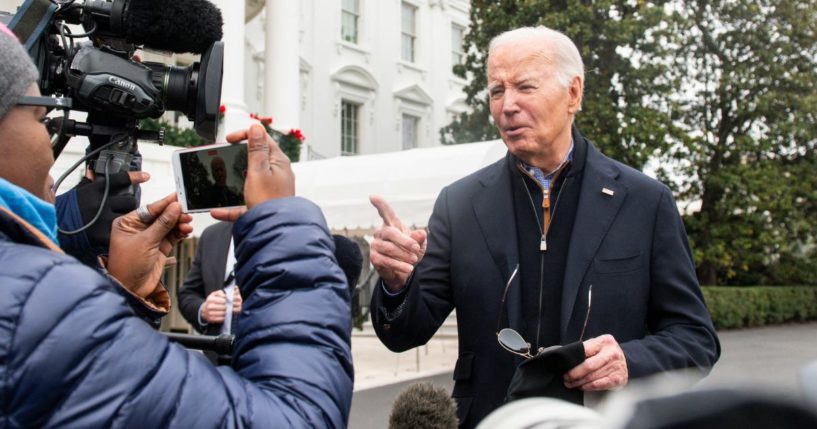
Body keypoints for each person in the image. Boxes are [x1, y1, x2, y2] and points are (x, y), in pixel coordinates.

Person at [0, 25, 352, 427]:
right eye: (43, 118)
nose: (53, 141)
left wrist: (121, 295)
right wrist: (282, 221)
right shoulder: (35, 302)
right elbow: (299, 417)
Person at [368, 26, 720, 427]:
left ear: (573, 93)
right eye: (497, 90)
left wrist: (629, 361)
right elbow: (405, 333)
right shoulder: (460, 203)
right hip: (492, 420)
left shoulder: (644, 202)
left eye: (525, 87)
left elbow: (695, 339)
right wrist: (396, 285)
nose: (507, 105)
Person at [177, 221, 243, 364]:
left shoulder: (289, 234)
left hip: (265, 362)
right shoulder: (211, 235)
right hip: (216, 362)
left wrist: (259, 304)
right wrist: (203, 310)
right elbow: (187, 295)